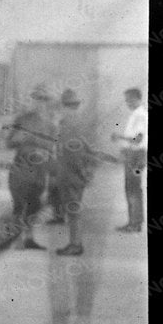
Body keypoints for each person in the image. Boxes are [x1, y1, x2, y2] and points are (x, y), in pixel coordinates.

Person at [4, 86, 56, 251]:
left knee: (34, 205)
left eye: (43, 100)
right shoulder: (22, 120)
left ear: (47, 103)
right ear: (32, 100)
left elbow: (52, 146)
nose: (40, 103)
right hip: (21, 168)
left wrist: (42, 151)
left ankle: (29, 238)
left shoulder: (50, 125)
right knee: (19, 204)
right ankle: (17, 239)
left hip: (39, 170)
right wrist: (19, 138)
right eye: (37, 99)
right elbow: (9, 143)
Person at [49, 89, 93, 256]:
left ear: (65, 106)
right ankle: (75, 243)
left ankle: (75, 245)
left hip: (70, 173)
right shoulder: (80, 122)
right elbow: (88, 149)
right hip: (76, 173)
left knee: (73, 212)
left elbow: (71, 152)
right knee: (74, 210)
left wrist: (77, 172)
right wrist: (86, 172)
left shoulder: (68, 123)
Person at [111, 86, 147, 231]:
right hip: (135, 156)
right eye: (126, 100)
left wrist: (119, 137)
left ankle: (135, 223)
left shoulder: (139, 115)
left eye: (129, 100)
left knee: (133, 188)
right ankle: (134, 222)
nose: (128, 103)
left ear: (137, 98)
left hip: (137, 157)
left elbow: (137, 139)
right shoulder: (137, 114)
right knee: (133, 188)